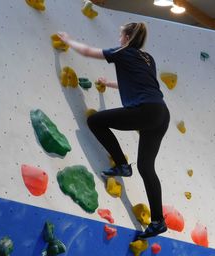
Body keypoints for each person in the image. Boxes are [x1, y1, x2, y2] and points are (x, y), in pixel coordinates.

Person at [58, 22, 170, 239]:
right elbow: (139, 83)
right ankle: (158, 221)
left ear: (127, 37)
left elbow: (89, 52)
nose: (119, 39)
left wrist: (68, 40)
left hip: (145, 111)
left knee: (95, 121)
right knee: (147, 168)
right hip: (161, 114)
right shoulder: (148, 58)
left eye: (121, 35)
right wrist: (108, 83)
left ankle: (121, 164)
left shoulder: (122, 52)